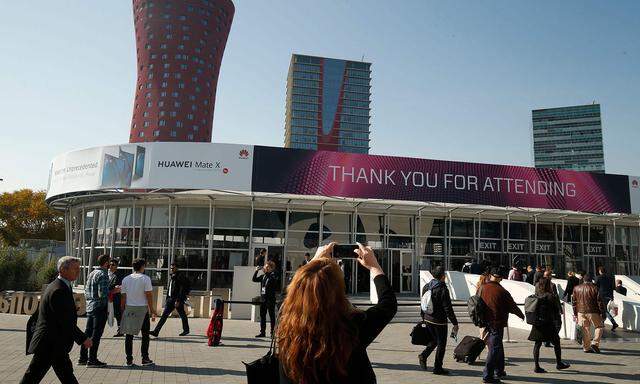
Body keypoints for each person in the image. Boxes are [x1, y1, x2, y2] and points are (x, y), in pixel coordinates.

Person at [278, 242, 396, 383]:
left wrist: (315, 262)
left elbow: (292, 294)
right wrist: (374, 266)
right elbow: (388, 304)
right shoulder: (352, 326)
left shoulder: (287, 325)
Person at [20, 256, 92, 384]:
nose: (78, 271)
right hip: (49, 343)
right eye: (75, 269)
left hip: (55, 343)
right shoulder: (58, 289)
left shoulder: (60, 286)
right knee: (32, 377)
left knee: (65, 376)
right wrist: (83, 338)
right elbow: (64, 321)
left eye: (79, 268)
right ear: (63, 270)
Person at [480, 267, 525, 383]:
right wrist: (521, 315)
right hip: (497, 322)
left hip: (485, 321)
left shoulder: (482, 288)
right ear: (501, 278)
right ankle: (488, 376)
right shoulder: (502, 291)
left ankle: (499, 370)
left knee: (497, 345)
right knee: (494, 348)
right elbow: (513, 306)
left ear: (491, 276)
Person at [418, 266, 458, 375]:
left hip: (428, 318)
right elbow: (448, 308)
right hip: (439, 321)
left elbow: (423, 303)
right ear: (443, 276)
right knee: (441, 344)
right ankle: (437, 367)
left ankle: (423, 355)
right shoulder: (443, 289)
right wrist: (455, 323)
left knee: (434, 341)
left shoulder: (427, 286)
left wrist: (423, 317)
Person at [528, 277, 570, 373]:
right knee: (556, 343)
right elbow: (556, 312)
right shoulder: (551, 296)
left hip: (538, 323)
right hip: (548, 323)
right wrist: (557, 322)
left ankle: (536, 366)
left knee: (537, 344)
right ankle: (559, 363)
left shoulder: (536, 296)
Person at [120, 258, 156, 366]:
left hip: (130, 308)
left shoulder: (126, 279)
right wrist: (152, 310)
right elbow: (149, 295)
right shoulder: (145, 278)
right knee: (145, 335)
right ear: (142, 267)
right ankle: (145, 358)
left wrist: (122, 308)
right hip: (142, 308)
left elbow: (123, 296)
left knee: (129, 335)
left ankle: (129, 360)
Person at [79, 254, 110, 367]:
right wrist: (113, 290)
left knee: (87, 332)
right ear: (106, 263)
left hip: (90, 306)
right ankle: (92, 360)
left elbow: (87, 290)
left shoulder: (92, 273)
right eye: (110, 263)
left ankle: (82, 358)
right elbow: (103, 293)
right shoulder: (103, 274)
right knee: (96, 334)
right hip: (99, 307)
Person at [150, 263, 190, 337]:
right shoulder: (172, 276)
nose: (171, 269)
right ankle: (156, 331)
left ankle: (186, 330)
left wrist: (178, 300)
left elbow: (181, 289)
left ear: (177, 268)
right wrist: (167, 298)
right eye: (171, 268)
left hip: (176, 299)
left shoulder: (180, 276)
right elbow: (170, 288)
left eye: (173, 268)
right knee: (164, 315)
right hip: (170, 299)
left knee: (182, 314)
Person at [572, 273, 605, 353]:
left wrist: (575, 313)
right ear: (591, 280)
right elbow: (599, 302)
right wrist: (602, 313)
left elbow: (574, 302)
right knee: (599, 327)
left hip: (581, 311)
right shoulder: (595, 288)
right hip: (593, 311)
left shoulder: (576, 288)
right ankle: (595, 343)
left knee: (585, 329)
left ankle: (586, 348)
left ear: (583, 280)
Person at [252, 260, 279, 337]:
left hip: (270, 299)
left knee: (272, 316)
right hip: (263, 299)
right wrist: (256, 271)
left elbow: (272, 281)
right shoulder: (264, 276)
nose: (265, 268)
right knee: (262, 316)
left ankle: (272, 333)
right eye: (265, 267)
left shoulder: (273, 275)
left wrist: (266, 272)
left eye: (267, 267)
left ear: (271, 268)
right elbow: (254, 279)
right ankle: (262, 332)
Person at [595, 267, 619, 331]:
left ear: (600, 271)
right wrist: (612, 297)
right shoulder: (611, 277)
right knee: (604, 310)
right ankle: (603, 323)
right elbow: (613, 287)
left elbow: (596, 287)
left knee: (604, 310)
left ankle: (613, 323)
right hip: (609, 296)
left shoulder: (599, 277)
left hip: (602, 296)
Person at [108, 258, 124, 337]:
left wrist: (107, 288)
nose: (110, 266)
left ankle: (120, 330)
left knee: (118, 314)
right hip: (111, 297)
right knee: (115, 314)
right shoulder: (110, 274)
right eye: (110, 264)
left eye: (113, 265)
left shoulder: (118, 275)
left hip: (117, 297)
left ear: (117, 266)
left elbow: (115, 286)